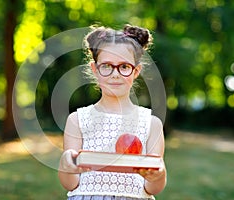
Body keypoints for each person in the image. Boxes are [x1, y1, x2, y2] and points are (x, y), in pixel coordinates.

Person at [58, 24, 167, 200]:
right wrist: (65, 164)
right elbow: (70, 183)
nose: (115, 74)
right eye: (107, 66)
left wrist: (158, 175)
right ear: (95, 69)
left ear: (136, 71)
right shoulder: (77, 120)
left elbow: (152, 187)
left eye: (124, 67)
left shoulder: (151, 124)